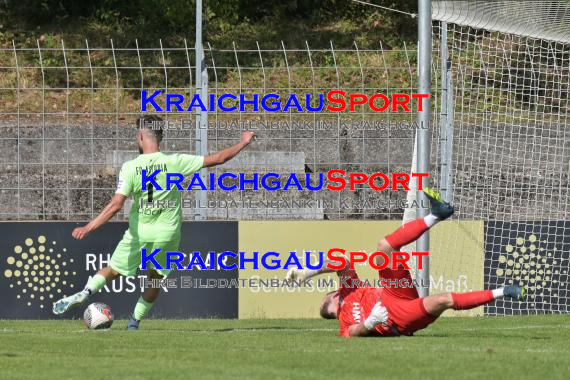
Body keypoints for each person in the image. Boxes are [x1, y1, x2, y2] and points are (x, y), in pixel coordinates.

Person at [53, 115, 256, 330]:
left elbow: (116, 204)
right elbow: (219, 158)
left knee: (112, 270)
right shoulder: (175, 161)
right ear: (161, 136)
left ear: (141, 135)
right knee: (154, 279)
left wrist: (89, 227)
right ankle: (133, 323)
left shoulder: (130, 167)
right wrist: (243, 142)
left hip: (139, 233)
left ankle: (85, 293)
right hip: (167, 234)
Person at [286, 188, 526, 337]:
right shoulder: (344, 321)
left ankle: (437, 214)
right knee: (444, 300)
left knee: (385, 247)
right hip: (395, 319)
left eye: (326, 297)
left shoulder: (350, 288)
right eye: (325, 305)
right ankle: (505, 291)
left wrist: (307, 272)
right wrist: (369, 323)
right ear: (330, 310)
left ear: (332, 294)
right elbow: (352, 332)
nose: (326, 301)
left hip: (393, 293)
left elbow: (341, 261)